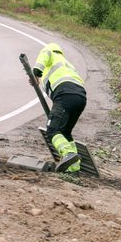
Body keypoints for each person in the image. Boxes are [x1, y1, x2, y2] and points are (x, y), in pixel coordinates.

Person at [32, 42, 86, 173]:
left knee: (52, 130)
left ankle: (68, 153)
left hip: (65, 94)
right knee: (65, 132)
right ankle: (74, 168)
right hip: (80, 97)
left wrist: (36, 71)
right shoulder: (67, 64)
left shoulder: (50, 51)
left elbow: (43, 58)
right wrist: (37, 79)